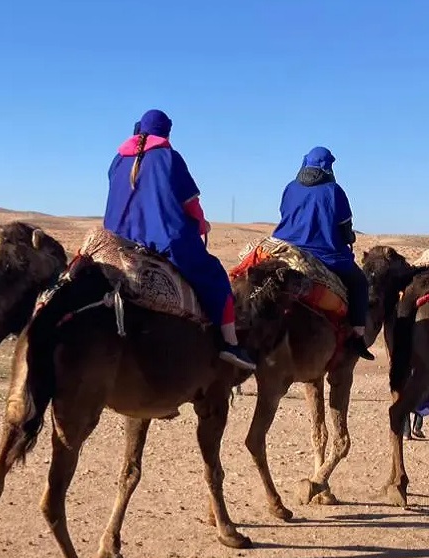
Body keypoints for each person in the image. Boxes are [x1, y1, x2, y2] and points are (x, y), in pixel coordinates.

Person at [103, 109, 257, 370]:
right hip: (163, 239)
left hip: (117, 238)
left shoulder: (117, 160)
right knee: (214, 276)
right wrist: (200, 224)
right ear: (166, 132)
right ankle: (230, 344)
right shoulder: (169, 158)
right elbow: (190, 204)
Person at [272, 147, 374, 360]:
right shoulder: (334, 191)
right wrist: (349, 239)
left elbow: (284, 214)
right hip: (325, 254)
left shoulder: (290, 188)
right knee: (359, 284)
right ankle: (357, 335)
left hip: (285, 249)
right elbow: (346, 229)